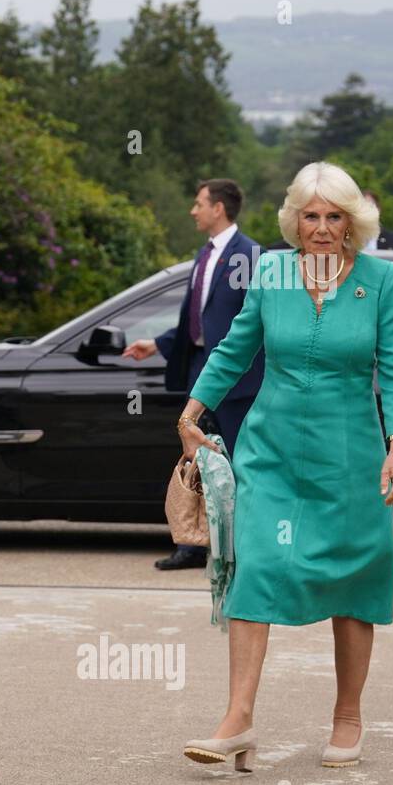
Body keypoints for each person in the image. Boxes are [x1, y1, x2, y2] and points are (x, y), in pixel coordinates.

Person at [177, 161, 393, 772]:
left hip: (350, 453)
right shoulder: (273, 272)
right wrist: (192, 412)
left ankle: (347, 717)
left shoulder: (383, 281)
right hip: (271, 449)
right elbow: (236, 345)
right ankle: (238, 720)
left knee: (353, 581)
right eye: (311, 215)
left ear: (352, 221)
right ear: (294, 219)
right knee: (256, 566)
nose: (321, 227)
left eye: (334, 215)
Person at [123, 179, 263, 571]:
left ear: (218, 208)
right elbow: (196, 317)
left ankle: (243, 549)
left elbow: (260, 321)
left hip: (239, 381)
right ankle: (194, 544)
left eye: (199, 203)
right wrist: (159, 343)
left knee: (238, 463)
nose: (193, 210)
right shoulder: (206, 255)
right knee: (197, 458)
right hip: (202, 369)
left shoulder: (251, 255)